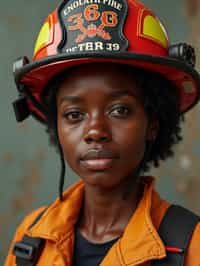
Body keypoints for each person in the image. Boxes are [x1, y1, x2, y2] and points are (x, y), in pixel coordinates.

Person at [5, 0, 200, 265]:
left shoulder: (192, 245)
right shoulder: (30, 238)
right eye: (74, 115)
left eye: (119, 110)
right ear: (56, 126)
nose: (95, 132)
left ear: (152, 123)